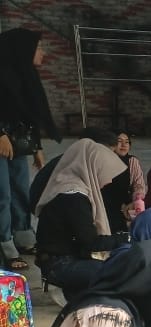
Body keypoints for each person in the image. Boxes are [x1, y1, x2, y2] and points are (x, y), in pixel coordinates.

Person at [34, 139, 130, 299]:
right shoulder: (73, 196)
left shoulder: (72, 187)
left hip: (66, 257)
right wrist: (126, 237)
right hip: (59, 264)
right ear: (92, 168)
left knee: (120, 262)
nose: (109, 180)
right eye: (104, 171)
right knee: (120, 272)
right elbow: (91, 242)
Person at [0, 28, 61, 267]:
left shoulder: (25, 75)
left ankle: (23, 235)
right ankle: (5, 243)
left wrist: (36, 147)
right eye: (38, 48)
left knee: (20, 189)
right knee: (2, 194)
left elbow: (29, 115)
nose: (42, 53)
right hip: (2, 140)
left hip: (16, 142)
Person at [112, 132, 147, 210]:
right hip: (107, 204)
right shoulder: (105, 161)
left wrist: (136, 201)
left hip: (128, 204)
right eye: (119, 141)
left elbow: (139, 185)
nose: (124, 145)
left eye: (127, 142)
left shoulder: (132, 161)